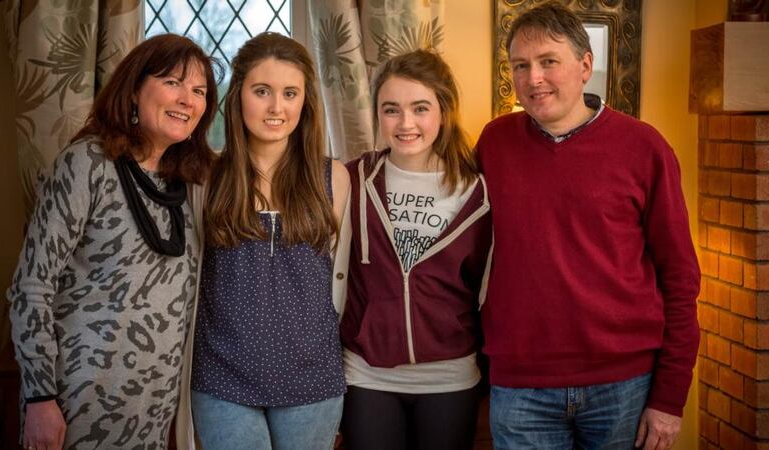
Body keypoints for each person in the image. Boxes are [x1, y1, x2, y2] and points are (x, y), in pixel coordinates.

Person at [476, 3, 700, 450]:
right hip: (521, 384)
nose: (533, 78)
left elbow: (679, 277)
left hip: (624, 386)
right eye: (521, 65)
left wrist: (670, 398)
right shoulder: (494, 142)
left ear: (585, 66)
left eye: (548, 62)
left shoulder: (644, 147)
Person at [7, 33, 220, 449]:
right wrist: (39, 396)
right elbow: (30, 287)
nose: (187, 100)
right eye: (173, 82)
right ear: (135, 89)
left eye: (199, 91)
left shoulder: (189, 182)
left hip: (153, 409)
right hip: (75, 401)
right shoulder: (87, 163)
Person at [185, 32, 350, 450]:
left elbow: (343, 278)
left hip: (312, 378)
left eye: (290, 93)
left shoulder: (334, 177)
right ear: (238, 96)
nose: (277, 107)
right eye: (263, 91)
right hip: (223, 377)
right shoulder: (206, 177)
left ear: (304, 102)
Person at [339, 49, 493, 450]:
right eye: (391, 110)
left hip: (450, 377)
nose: (406, 123)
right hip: (367, 375)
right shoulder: (352, 180)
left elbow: (488, 288)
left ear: (443, 110)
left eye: (420, 108)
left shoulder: (478, 191)